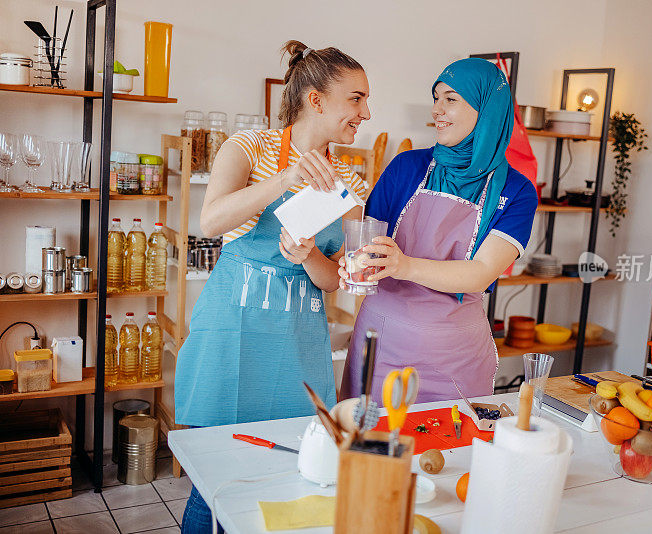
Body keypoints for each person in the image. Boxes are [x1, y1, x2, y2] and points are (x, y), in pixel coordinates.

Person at [174, 40, 370, 533]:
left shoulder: (349, 182)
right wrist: (287, 179)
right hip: (232, 332)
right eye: (356, 98)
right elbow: (213, 218)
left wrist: (308, 257)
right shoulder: (247, 148)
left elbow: (335, 281)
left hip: (298, 343)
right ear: (316, 100)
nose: (365, 111)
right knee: (217, 476)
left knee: (287, 470)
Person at [340, 58, 537, 404]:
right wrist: (352, 261)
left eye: (451, 99)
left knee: (450, 452)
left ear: (486, 108)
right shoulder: (406, 167)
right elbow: (365, 243)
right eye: (435, 98)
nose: (437, 110)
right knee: (367, 450)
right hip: (381, 347)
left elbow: (480, 274)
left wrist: (404, 266)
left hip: (455, 362)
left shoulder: (517, 192)